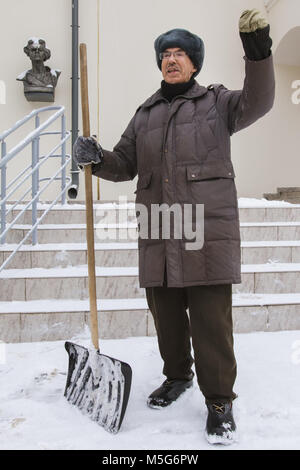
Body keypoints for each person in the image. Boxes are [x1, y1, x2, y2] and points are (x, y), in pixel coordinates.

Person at [73, 9, 275, 445]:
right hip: (160, 233)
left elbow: (259, 101)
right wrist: (96, 157)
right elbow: (124, 163)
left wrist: (258, 52)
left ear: (194, 64)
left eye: (181, 53)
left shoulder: (218, 104)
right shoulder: (145, 114)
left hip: (205, 233)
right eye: (166, 53)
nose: (172, 59)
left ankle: (219, 401)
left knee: (209, 322)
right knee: (165, 316)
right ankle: (177, 375)